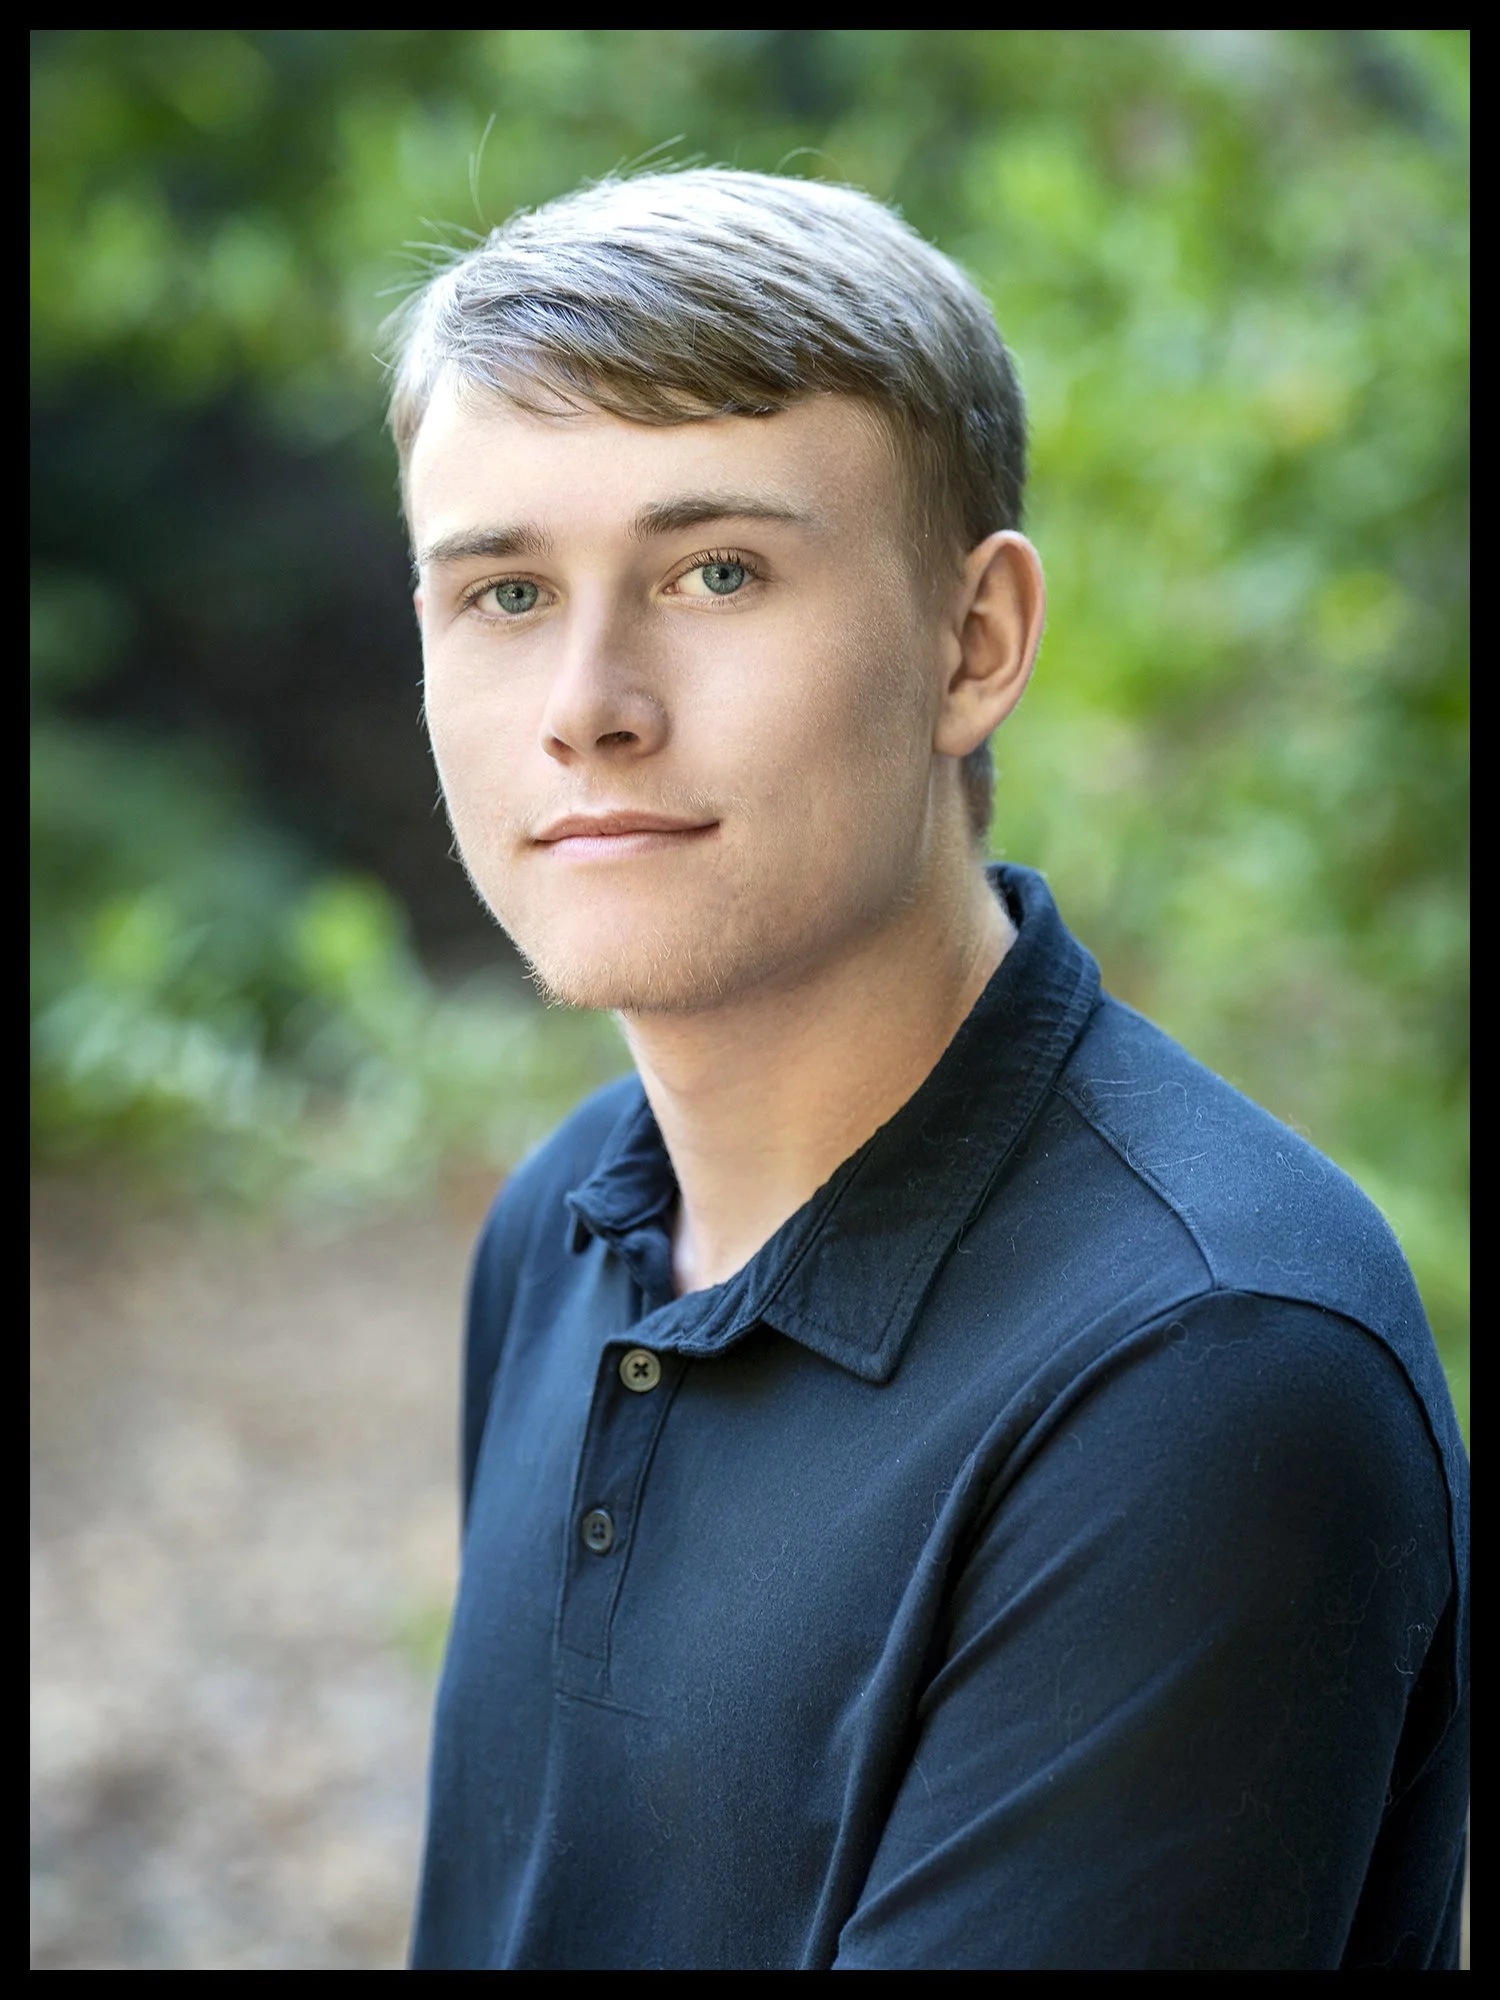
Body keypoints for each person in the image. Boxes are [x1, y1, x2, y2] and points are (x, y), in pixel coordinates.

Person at [387, 169, 1468, 1970]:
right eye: (503, 591)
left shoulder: (1205, 1367)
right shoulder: (568, 1225)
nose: (589, 699)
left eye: (715, 570)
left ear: (976, 643)